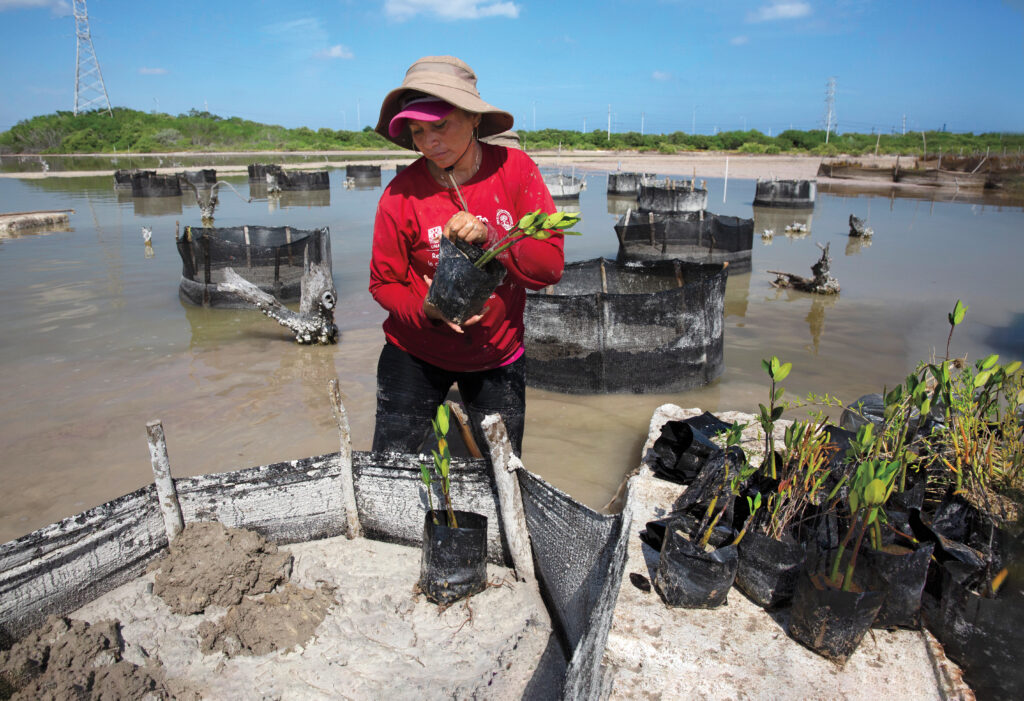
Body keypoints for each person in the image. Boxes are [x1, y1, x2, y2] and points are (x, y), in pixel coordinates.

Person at [369, 55, 565, 456]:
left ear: (475, 118)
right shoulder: (399, 194)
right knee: (389, 465)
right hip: (415, 351)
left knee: (503, 472)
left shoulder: (516, 170)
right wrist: (427, 310)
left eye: (440, 126)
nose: (429, 142)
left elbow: (549, 267)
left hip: (497, 352)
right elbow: (383, 283)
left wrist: (492, 235)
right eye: (417, 131)